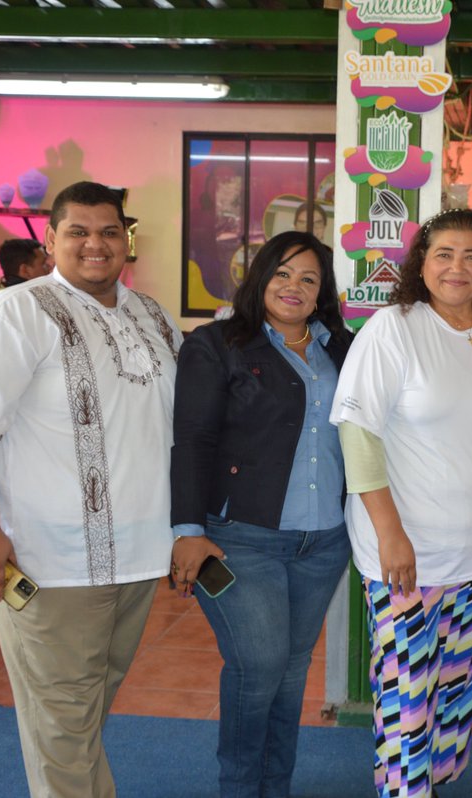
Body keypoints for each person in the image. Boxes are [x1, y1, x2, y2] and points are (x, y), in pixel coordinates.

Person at [0, 181, 181, 797]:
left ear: (127, 240)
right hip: (49, 558)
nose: (96, 244)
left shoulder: (151, 316)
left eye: (110, 232)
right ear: (51, 240)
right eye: (78, 232)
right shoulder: (12, 313)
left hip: (140, 553)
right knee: (62, 719)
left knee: (85, 712)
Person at [330, 208, 472, 798]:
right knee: (408, 701)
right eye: (443, 254)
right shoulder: (394, 328)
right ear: (421, 263)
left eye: (471, 257)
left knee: (454, 703)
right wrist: (390, 534)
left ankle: (426, 788)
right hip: (403, 555)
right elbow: (358, 434)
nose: (456, 267)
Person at [170, 231, 353, 797]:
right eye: (281, 273)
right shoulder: (217, 344)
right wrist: (188, 531)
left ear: (323, 292)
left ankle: (276, 788)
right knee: (258, 668)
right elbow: (193, 439)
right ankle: (240, 788)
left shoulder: (342, 349)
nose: (293, 287)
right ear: (259, 277)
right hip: (239, 540)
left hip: (323, 542)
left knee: (291, 672)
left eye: (308, 278)